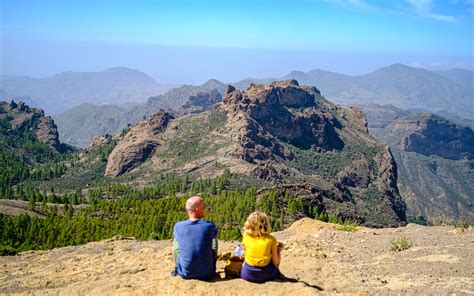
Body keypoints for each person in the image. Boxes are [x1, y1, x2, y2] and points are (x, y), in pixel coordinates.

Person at [172, 196, 218, 280]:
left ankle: (178, 267)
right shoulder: (210, 225)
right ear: (197, 209)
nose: (205, 207)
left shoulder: (178, 226)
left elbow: (176, 249)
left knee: (176, 242)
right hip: (207, 273)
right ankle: (213, 267)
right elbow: (213, 245)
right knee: (214, 241)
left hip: (185, 273)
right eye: (203, 205)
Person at [240, 211, 283, 283]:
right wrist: (278, 249)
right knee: (275, 269)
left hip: (247, 275)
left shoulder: (246, 236)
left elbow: (245, 253)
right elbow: (276, 263)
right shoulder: (271, 239)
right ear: (266, 224)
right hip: (266, 275)